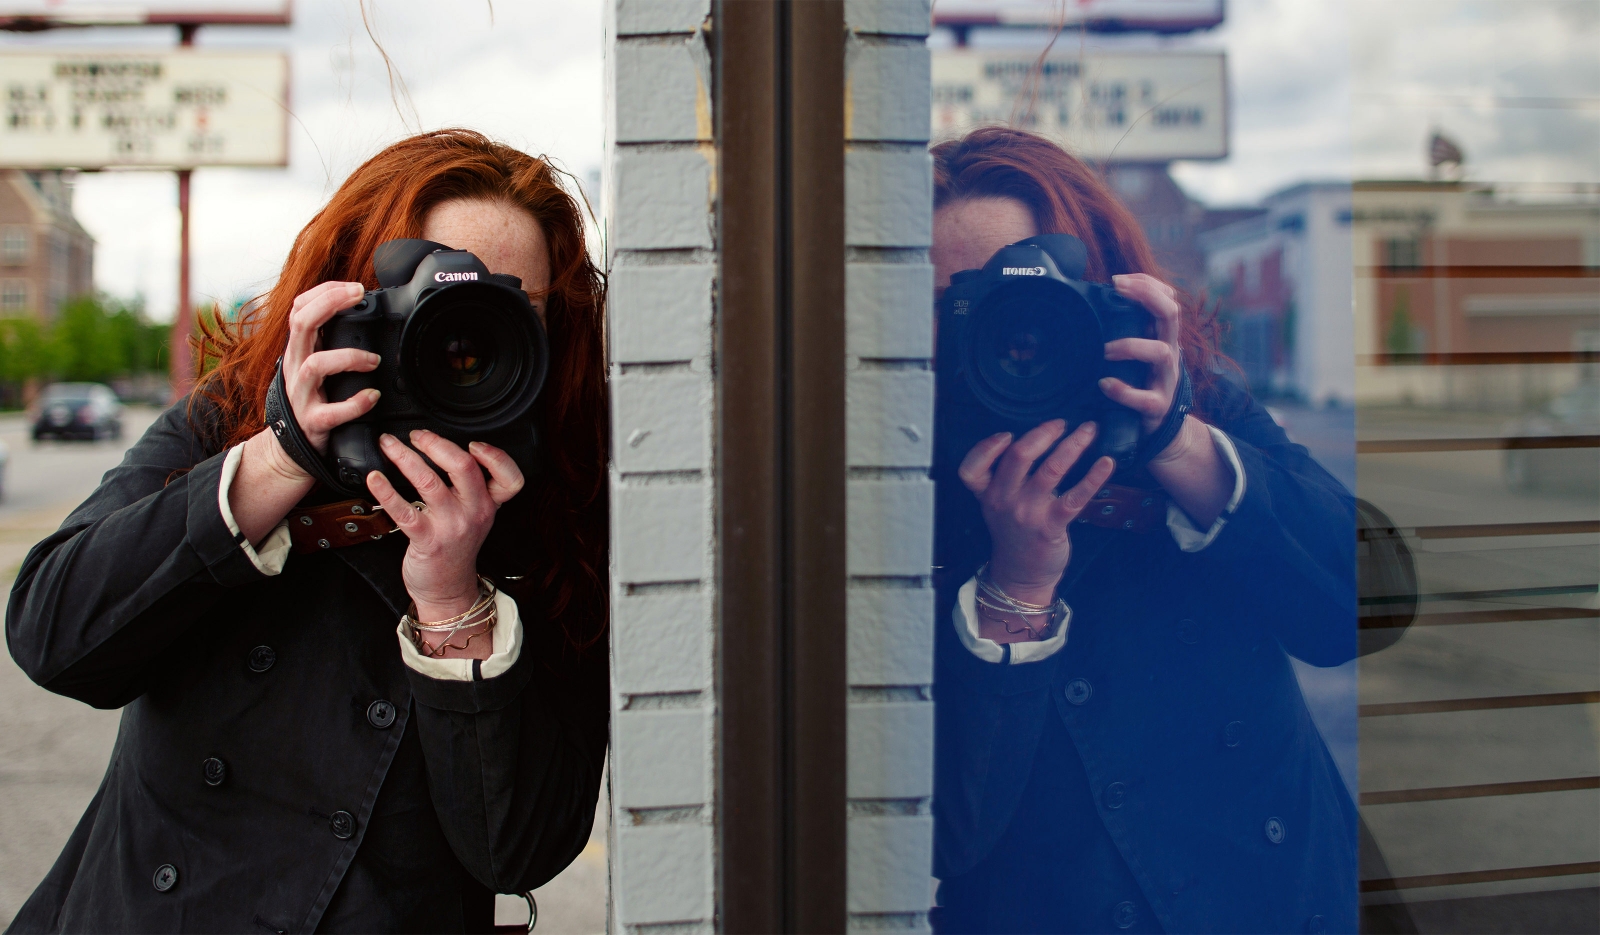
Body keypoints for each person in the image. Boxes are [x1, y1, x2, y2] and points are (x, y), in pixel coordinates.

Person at [5, 129, 608, 934]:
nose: (460, 344)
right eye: (428, 308)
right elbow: (53, 637)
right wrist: (277, 461)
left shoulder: (556, 512)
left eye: (508, 312)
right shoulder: (232, 419)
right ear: (346, 302)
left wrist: (452, 599)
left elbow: (520, 852)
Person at [928, 127, 1358, 934]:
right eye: (963, 306)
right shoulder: (903, 485)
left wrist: (1178, 444)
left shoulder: (1191, 404)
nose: (1009, 337)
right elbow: (950, 832)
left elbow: (1360, 611)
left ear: (1105, 292)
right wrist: (1016, 582)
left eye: (1034, 304)